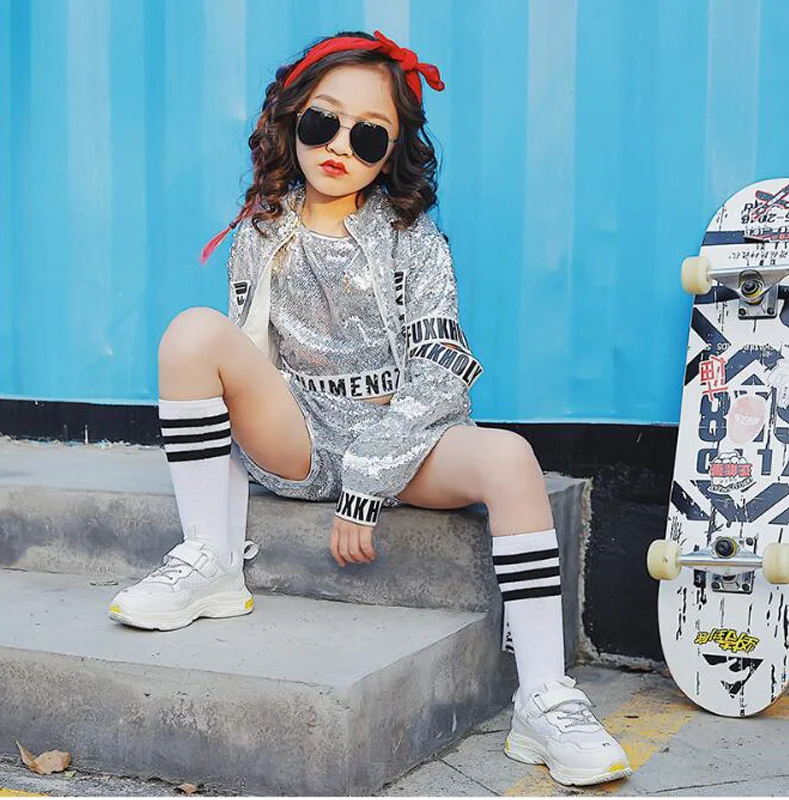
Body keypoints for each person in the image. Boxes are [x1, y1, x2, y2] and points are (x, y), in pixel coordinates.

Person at [107, 29, 632, 788]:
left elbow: (442, 373)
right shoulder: (261, 229)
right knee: (193, 332)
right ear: (292, 119)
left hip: (401, 436)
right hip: (296, 432)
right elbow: (248, 353)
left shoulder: (415, 242)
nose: (338, 146)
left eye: (368, 134)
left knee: (511, 457)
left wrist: (368, 480)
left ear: (392, 152)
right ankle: (210, 560)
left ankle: (544, 697)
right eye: (323, 121)